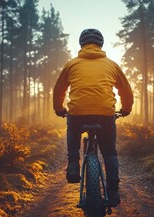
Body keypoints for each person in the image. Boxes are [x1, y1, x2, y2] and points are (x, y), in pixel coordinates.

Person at [53, 28, 134, 207]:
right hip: (105, 113)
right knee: (109, 152)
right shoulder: (112, 65)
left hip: (77, 112)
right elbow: (126, 91)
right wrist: (126, 109)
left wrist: (59, 109)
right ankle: (113, 191)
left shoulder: (71, 64)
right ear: (101, 44)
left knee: (73, 126)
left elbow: (59, 90)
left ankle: (73, 162)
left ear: (81, 44)